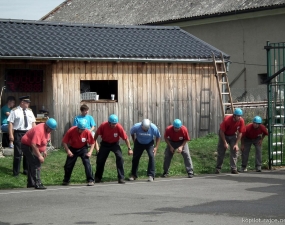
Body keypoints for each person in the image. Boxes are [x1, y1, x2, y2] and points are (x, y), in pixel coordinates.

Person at [94, 114, 133, 184]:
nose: (114, 125)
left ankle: (121, 177)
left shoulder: (119, 127)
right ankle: (98, 177)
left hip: (115, 144)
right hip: (105, 144)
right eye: (113, 124)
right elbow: (96, 133)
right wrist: (93, 142)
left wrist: (129, 148)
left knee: (120, 157)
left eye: (115, 123)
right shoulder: (103, 125)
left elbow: (126, 138)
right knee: (100, 160)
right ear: (109, 123)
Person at [21, 118, 57, 189]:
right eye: (51, 129)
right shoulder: (39, 130)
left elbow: (45, 140)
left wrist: (44, 150)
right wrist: (40, 156)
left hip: (33, 146)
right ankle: (38, 183)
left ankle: (31, 183)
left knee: (33, 163)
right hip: (27, 145)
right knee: (36, 163)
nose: (51, 131)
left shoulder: (48, 130)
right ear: (46, 126)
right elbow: (33, 144)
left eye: (52, 129)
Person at [62, 119, 99, 186]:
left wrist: (90, 152)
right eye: (81, 129)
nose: (82, 131)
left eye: (83, 129)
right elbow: (64, 142)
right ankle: (66, 180)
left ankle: (90, 180)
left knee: (87, 163)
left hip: (83, 148)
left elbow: (92, 143)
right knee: (68, 165)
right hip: (73, 148)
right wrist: (68, 151)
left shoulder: (87, 132)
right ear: (77, 128)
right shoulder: (71, 131)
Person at [8, 96, 36, 176]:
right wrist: (11, 135)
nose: (28, 104)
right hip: (19, 133)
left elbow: (33, 123)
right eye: (27, 102)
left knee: (28, 152)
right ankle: (16, 172)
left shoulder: (30, 111)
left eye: (29, 102)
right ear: (22, 102)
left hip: (28, 133)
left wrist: (35, 134)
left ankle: (26, 170)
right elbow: (10, 123)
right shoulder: (15, 111)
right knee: (18, 153)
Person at [215, 108, 246, 174]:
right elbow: (221, 131)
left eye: (240, 116)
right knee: (221, 152)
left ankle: (234, 169)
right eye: (238, 116)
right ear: (234, 115)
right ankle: (218, 168)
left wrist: (236, 144)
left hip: (233, 135)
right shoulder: (227, 119)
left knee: (234, 150)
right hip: (224, 134)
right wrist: (224, 142)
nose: (239, 117)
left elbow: (240, 133)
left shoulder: (241, 121)